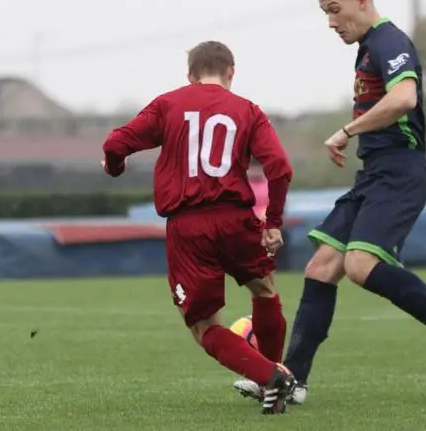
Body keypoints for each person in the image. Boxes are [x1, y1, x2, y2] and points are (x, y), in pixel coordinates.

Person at [232, 0, 426, 406]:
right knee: (321, 269)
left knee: (360, 265)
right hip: (374, 174)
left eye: (334, 10)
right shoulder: (368, 47)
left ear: (361, 2)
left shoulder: (388, 40)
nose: (331, 22)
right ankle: (292, 378)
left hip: (400, 173)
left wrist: (348, 131)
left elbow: (404, 98)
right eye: (325, 13)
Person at [102, 40, 296, 415]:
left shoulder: (169, 104)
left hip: (189, 227)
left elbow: (116, 143)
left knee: (204, 326)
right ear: (231, 73)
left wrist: (114, 167)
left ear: (189, 75)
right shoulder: (248, 110)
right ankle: (272, 380)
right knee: (265, 290)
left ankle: (270, 376)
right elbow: (280, 167)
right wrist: (272, 222)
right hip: (237, 219)